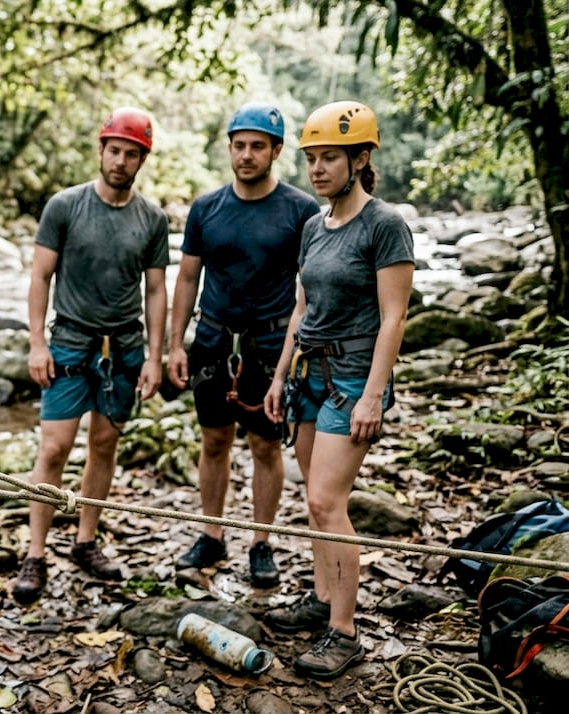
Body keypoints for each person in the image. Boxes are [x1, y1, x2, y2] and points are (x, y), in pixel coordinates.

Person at [262, 100, 414, 679]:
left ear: (361, 158)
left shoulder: (385, 224)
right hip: (308, 373)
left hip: (352, 378)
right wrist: (279, 376)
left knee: (328, 501)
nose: (318, 169)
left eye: (330, 158)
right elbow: (301, 307)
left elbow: (393, 317)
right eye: (312, 159)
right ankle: (324, 597)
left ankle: (344, 631)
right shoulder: (312, 226)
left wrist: (374, 395)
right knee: (314, 500)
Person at [10, 107, 170, 605]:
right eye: (114, 150)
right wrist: (37, 343)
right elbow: (39, 277)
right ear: (101, 151)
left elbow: (157, 291)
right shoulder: (65, 206)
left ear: (142, 159)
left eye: (131, 154)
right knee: (54, 448)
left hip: (123, 346)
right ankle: (34, 553)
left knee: (104, 445)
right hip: (70, 344)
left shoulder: (152, 218)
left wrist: (154, 357)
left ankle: (85, 540)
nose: (120, 161)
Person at [167, 102, 320, 588]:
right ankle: (211, 534)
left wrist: (301, 351)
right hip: (212, 341)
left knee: (264, 446)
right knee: (213, 441)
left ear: (276, 150)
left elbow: (309, 284)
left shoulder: (300, 210)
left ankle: (260, 540)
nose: (247, 155)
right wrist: (176, 344)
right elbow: (187, 277)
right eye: (239, 145)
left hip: (271, 344)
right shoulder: (206, 208)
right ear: (229, 148)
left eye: (258, 146)